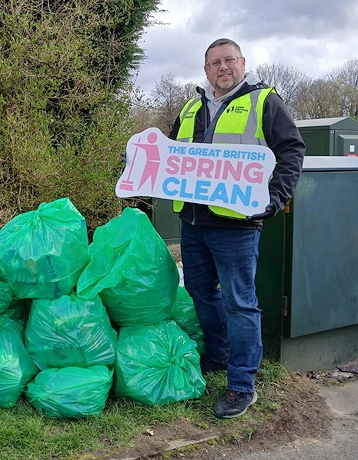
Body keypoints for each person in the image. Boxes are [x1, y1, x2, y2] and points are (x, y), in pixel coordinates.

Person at [167, 38, 305, 418]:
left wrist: (275, 198)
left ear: (242, 63)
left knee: (240, 302)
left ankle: (242, 384)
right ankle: (218, 356)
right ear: (206, 69)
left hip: (237, 225)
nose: (222, 67)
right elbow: (172, 155)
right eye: (214, 63)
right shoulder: (191, 106)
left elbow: (292, 150)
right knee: (199, 291)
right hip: (193, 222)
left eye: (229, 60)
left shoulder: (264, 102)